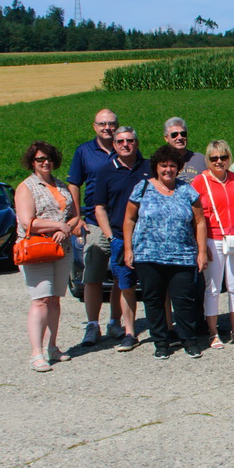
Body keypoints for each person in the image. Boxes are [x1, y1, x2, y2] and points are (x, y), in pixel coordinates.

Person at [122, 144, 209, 360]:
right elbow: (129, 219)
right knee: (153, 300)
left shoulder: (187, 190)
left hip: (182, 256)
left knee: (184, 301)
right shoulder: (142, 188)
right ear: (156, 167)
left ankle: (189, 340)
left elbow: (199, 222)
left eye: (172, 165)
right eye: (163, 166)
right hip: (148, 256)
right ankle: (160, 342)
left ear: (178, 167)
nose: (168, 169)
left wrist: (201, 251)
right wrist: (128, 248)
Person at [15, 141, 79, 372]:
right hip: (36, 251)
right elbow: (27, 222)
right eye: (40, 159)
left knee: (54, 300)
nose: (45, 162)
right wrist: (60, 226)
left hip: (62, 250)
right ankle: (36, 352)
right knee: (40, 299)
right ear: (32, 162)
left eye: (48, 158)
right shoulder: (26, 187)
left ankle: (53, 346)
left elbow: (74, 217)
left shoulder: (61, 186)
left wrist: (67, 228)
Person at [91, 126, 151, 352]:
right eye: (120, 141)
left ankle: (162, 327)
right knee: (126, 285)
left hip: (148, 238)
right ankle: (129, 332)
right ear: (114, 145)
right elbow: (99, 208)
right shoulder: (106, 171)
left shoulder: (148, 167)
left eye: (130, 140)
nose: (125, 145)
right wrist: (110, 237)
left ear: (136, 143)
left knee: (156, 284)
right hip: (119, 237)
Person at [67, 108, 123, 346]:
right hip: (93, 222)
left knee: (121, 275)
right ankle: (92, 325)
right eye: (102, 124)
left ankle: (115, 323)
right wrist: (77, 216)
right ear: (94, 126)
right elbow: (73, 185)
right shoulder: (84, 152)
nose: (107, 128)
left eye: (111, 124)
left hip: (120, 221)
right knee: (93, 276)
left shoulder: (125, 148)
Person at [191, 140, 234, 348]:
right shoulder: (199, 182)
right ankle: (213, 333)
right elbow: (194, 216)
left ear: (228, 159)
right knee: (213, 287)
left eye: (223, 157)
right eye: (214, 158)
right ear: (208, 160)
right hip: (212, 239)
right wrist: (201, 244)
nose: (219, 162)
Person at [164, 117, 207, 183]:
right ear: (166, 138)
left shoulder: (201, 159)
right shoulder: (161, 162)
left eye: (183, 134)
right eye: (174, 135)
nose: (180, 137)